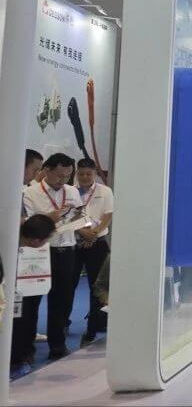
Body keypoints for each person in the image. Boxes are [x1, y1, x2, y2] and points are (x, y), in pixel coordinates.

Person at [22, 153, 81, 361]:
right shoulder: (30, 192)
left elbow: (78, 215)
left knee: (61, 301)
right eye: (59, 175)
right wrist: (51, 217)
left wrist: (79, 219)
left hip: (67, 251)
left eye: (68, 176)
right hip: (39, 253)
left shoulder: (72, 191)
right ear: (46, 170)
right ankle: (26, 349)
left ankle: (57, 346)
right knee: (31, 302)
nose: (63, 180)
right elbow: (28, 224)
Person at [11, 214, 58, 376]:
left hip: (32, 286)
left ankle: (26, 353)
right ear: (35, 241)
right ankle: (15, 359)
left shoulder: (36, 245)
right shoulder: (10, 242)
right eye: (47, 239)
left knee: (30, 316)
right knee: (17, 321)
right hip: (12, 289)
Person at [72, 158, 112, 345]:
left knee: (97, 285)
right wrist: (83, 233)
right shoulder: (70, 191)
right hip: (74, 242)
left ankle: (93, 328)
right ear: (76, 173)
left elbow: (108, 215)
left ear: (95, 173)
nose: (85, 177)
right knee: (67, 285)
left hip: (98, 243)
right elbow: (69, 217)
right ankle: (62, 323)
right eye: (81, 173)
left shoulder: (105, 191)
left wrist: (93, 235)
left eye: (89, 173)